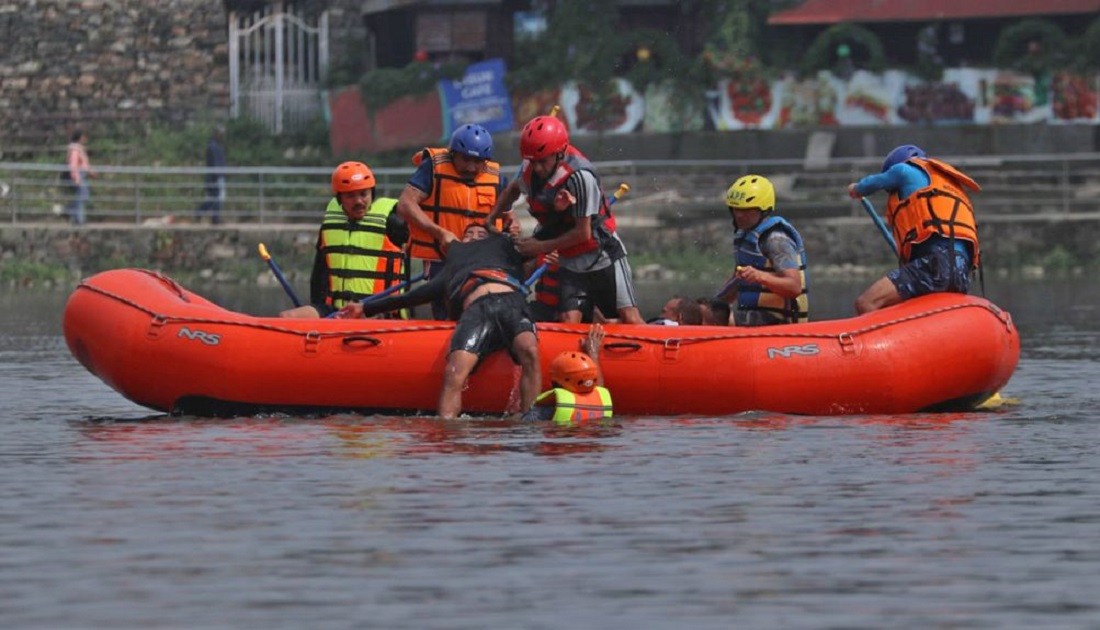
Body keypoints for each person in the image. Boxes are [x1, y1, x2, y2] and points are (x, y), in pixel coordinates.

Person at [336, 223, 540, 420]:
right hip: (476, 311)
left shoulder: (506, 249)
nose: (475, 237)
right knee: (454, 371)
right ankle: (447, 426)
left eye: (481, 234)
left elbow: (541, 240)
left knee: (529, 350)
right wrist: (365, 308)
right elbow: (412, 296)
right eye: (469, 234)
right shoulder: (453, 266)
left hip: (512, 303)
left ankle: (528, 419)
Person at [488, 115, 645, 325]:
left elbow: (583, 233)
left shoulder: (580, 177)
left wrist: (539, 247)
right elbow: (514, 189)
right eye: (533, 161)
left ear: (560, 153)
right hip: (570, 259)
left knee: (629, 317)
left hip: (601, 253)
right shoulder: (530, 165)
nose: (537, 168)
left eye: (542, 161)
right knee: (568, 321)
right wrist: (492, 217)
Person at [847, 144, 980, 314]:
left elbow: (871, 184)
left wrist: (856, 189)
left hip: (935, 264)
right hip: (961, 272)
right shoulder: (948, 183)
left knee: (866, 303)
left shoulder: (903, 170)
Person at [396, 123, 506, 318]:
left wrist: (512, 227)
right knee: (446, 312)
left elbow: (510, 218)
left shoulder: (497, 178)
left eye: (478, 161)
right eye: (465, 159)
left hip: (483, 261)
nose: (471, 167)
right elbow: (405, 204)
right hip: (442, 259)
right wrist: (440, 233)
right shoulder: (432, 167)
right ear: (453, 153)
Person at [280, 161, 407, 318]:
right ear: (340, 198)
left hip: (377, 312)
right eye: (350, 196)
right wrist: (317, 313)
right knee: (287, 317)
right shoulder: (331, 223)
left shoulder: (393, 222)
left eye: (363, 194)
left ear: (372, 194)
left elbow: (425, 247)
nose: (358, 201)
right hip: (336, 311)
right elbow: (319, 272)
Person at [715, 174, 809, 326]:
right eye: (736, 209)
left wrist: (760, 276)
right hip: (754, 317)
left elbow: (794, 287)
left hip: (780, 323)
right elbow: (737, 284)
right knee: (701, 311)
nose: (739, 215)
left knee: (709, 317)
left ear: (763, 210)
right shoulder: (745, 236)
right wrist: (712, 305)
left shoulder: (776, 240)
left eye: (746, 210)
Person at [527, 323, 612, 425]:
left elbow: (527, 424)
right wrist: (593, 353)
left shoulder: (544, 411)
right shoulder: (600, 400)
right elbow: (597, 386)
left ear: (555, 383)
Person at [196, 125, 227, 224]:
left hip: (217, 175)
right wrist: (217, 174)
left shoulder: (216, 145)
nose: (222, 136)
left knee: (215, 198)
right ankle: (212, 218)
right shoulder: (213, 146)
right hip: (215, 176)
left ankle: (203, 214)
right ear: (216, 134)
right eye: (221, 133)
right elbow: (215, 162)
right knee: (216, 197)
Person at [64, 129, 94, 225]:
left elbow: (83, 163)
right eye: (83, 137)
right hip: (78, 175)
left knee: (83, 196)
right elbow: (73, 165)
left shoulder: (79, 149)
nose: (85, 139)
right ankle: (79, 219)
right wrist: (76, 178)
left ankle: (69, 211)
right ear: (80, 138)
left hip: (82, 175)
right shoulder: (75, 150)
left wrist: (90, 172)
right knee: (81, 197)